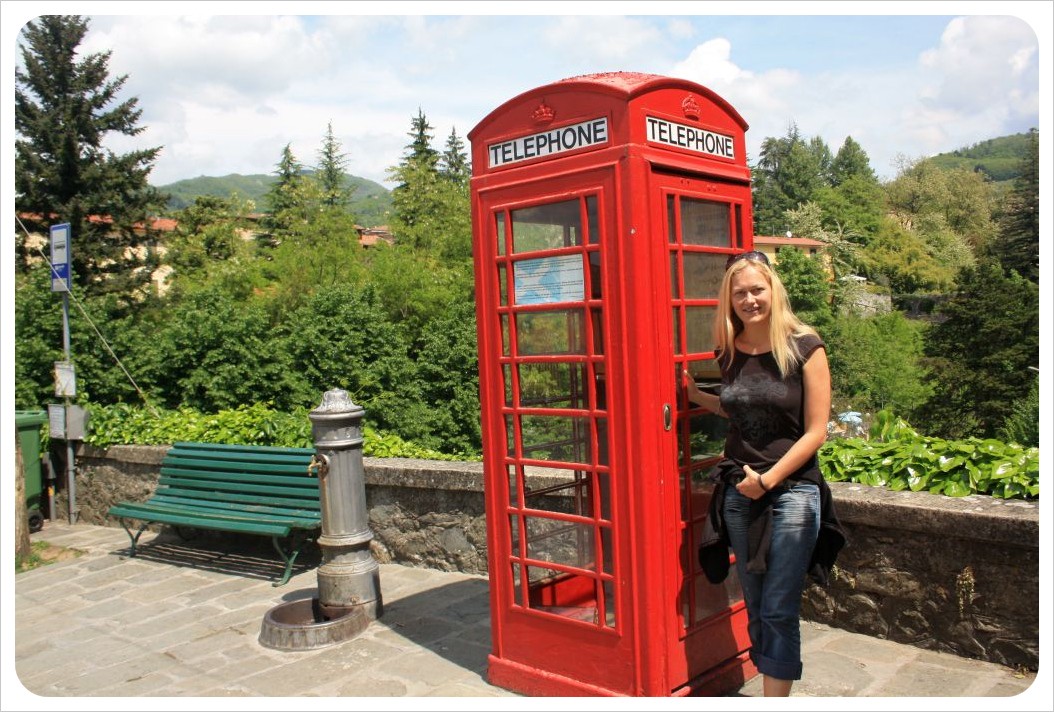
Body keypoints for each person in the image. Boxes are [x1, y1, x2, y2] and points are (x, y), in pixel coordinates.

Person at [683, 250, 832, 697]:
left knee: (779, 606)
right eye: (740, 293)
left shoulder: (804, 346)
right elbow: (734, 406)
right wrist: (692, 394)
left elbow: (816, 431)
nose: (749, 299)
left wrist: (767, 480)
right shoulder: (728, 351)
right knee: (753, 602)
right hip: (738, 492)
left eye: (757, 290)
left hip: (792, 492)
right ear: (729, 300)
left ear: (773, 291)